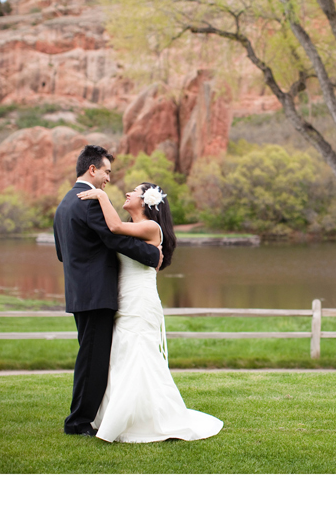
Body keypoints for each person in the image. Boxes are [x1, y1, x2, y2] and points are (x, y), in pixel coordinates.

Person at [77, 181, 223, 443]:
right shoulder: (135, 230)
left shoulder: (151, 227)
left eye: (134, 190)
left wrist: (100, 195)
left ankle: (132, 422)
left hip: (140, 302)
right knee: (121, 357)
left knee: (137, 356)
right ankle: (123, 416)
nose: (128, 192)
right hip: (123, 300)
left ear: (146, 200)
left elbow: (114, 227)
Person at [54, 145, 163, 436]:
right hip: (96, 294)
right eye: (106, 172)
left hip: (80, 292)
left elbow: (61, 254)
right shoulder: (88, 202)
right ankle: (78, 422)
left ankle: (85, 416)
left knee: (91, 357)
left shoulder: (64, 204)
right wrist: (153, 255)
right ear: (93, 169)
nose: (108, 180)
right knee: (93, 360)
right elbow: (114, 239)